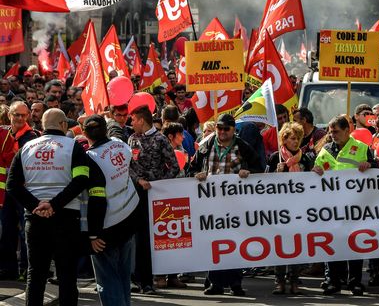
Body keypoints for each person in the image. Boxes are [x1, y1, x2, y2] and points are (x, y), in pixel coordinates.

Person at [6, 109, 91, 305]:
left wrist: (36, 205)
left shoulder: (26, 148)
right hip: (66, 217)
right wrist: (54, 204)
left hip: (35, 219)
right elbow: (81, 180)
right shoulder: (73, 146)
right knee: (67, 274)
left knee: (35, 275)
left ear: (43, 126)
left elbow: (12, 185)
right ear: (63, 125)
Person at [189, 113, 262, 296]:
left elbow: (260, 167)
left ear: (233, 130)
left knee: (235, 242)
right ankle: (215, 283)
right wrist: (197, 174)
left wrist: (248, 172)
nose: (221, 132)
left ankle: (235, 283)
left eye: (225, 129)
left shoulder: (242, 146)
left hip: (236, 204)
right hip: (211, 204)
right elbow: (192, 168)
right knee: (215, 243)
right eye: (219, 128)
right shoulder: (206, 145)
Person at [313, 115, 379, 296]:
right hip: (332, 207)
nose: (332, 134)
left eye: (336, 131)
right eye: (330, 131)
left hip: (355, 206)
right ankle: (333, 281)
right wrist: (315, 171)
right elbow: (316, 171)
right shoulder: (325, 150)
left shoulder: (361, 148)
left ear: (346, 131)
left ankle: (355, 282)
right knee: (334, 244)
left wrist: (370, 164)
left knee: (354, 244)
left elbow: (378, 168)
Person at [83, 115, 139, 306]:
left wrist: (93, 234)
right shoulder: (121, 145)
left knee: (108, 278)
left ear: (84, 134)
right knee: (123, 274)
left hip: (107, 226)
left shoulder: (90, 158)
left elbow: (96, 199)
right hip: (129, 217)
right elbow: (116, 137)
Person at [128, 105, 180, 294]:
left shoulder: (160, 139)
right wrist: (138, 180)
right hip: (135, 194)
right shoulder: (132, 139)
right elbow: (129, 167)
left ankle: (149, 281)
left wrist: (159, 185)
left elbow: (174, 166)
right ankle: (137, 279)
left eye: (133, 119)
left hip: (155, 196)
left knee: (150, 240)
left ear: (141, 120)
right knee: (136, 239)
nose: (131, 123)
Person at [268, 122, 314, 295]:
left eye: (298, 138)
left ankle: (294, 281)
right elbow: (262, 185)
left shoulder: (306, 159)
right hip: (280, 209)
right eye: (292, 138)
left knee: (297, 245)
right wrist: (275, 174)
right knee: (280, 245)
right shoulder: (275, 158)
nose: (296, 142)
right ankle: (279, 281)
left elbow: (312, 183)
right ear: (284, 140)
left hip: (300, 208)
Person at [0, 102, 39, 280]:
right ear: (10, 115)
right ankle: (8, 268)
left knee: (25, 231)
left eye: (24, 115)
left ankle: (26, 268)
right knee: (7, 229)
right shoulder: (3, 134)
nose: (20, 119)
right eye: (17, 115)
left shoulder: (32, 137)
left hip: (23, 190)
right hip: (5, 191)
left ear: (28, 116)